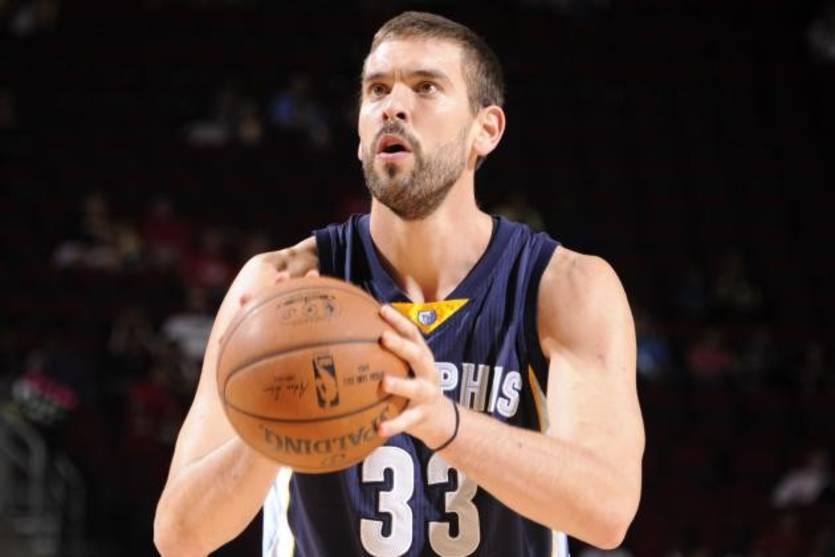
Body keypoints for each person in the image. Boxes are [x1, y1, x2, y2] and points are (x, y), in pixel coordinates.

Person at [153, 11, 644, 557]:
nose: (394, 106)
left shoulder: (564, 288)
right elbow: (178, 536)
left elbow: (607, 510)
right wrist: (273, 428)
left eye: (426, 87)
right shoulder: (283, 286)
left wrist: (445, 423)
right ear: (360, 134)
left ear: (486, 130)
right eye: (377, 89)